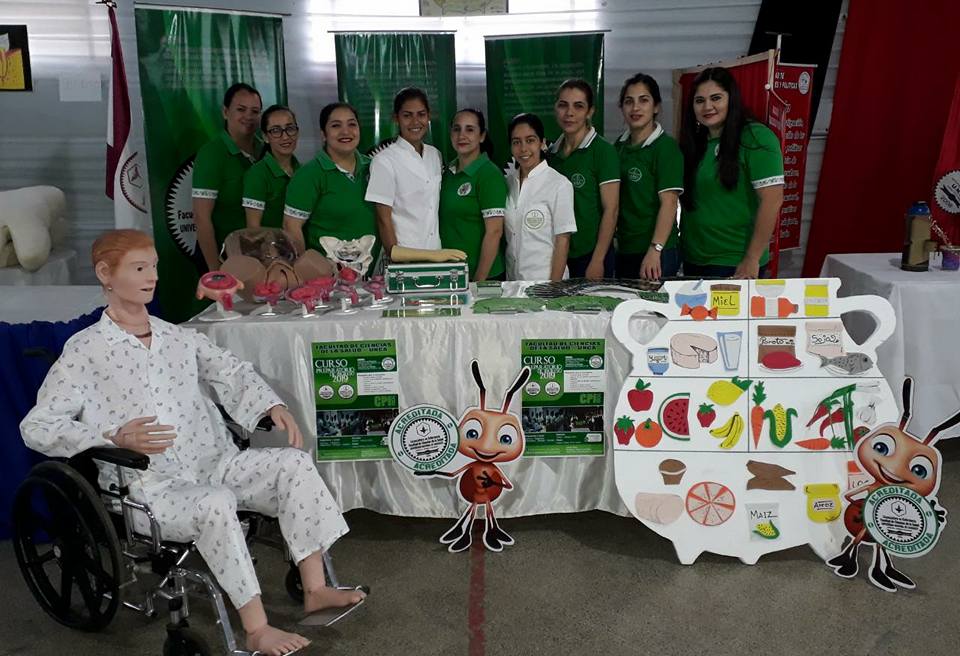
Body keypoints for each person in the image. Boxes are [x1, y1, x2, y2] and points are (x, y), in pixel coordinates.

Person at [20, 229, 365, 656]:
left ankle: (315, 589)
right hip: (151, 488)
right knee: (215, 502)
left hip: (214, 461)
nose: (152, 277)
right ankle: (256, 629)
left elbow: (231, 371)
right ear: (105, 274)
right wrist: (109, 435)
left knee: (292, 464)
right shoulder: (85, 351)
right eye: (139, 268)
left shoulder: (178, 337)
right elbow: (38, 426)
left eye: (154, 267)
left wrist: (270, 405)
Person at [678, 67, 785, 278]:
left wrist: (752, 258)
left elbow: (772, 200)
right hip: (692, 259)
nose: (707, 106)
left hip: (735, 262)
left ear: (732, 99)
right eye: (699, 101)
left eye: (716, 98)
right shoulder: (694, 143)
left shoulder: (756, 137)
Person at [283, 103, 379, 273]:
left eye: (352, 124)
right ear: (323, 134)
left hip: (376, 275)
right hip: (328, 278)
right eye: (336, 126)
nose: (345, 131)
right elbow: (291, 226)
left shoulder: (374, 168)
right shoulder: (309, 175)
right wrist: (307, 272)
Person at [547, 79, 620, 279]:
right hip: (558, 253)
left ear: (590, 111)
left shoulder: (603, 151)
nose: (569, 113)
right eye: (563, 105)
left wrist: (597, 260)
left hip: (591, 255)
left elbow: (611, 211)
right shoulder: (551, 154)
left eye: (578, 106)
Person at [614, 73, 684, 280]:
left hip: (656, 252)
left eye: (643, 100)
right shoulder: (619, 146)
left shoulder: (665, 148)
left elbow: (669, 203)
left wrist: (656, 249)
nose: (635, 108)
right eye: (629, 101)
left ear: (656, 107)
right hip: (626, 248)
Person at [192, 82, 263, 272]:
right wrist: (216, 270)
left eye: (255, 111)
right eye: (241, 109)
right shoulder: (212, 154)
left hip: (259, 254)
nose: (248, 116)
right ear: (225, 112)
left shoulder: (266, 151)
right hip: (223, 256)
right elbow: (201, 217)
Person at [365, 87, 443, 256]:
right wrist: (397, 259)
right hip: (405, 256)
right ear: (396, 118)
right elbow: (383, 219)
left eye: (421, 114)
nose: (415, 122)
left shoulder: (435, 155)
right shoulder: (384, 161)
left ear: (428, 116)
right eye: (407, 115)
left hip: (435, 252)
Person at [504, 113, 576, 281]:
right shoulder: (508, 183)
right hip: (513, 283)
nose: (523, 149)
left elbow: (563, 241)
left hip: (545, 282)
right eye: (516, 142)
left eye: (530, 140)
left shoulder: (558, 184)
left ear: (542, 143)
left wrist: (553, 288)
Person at [438, 109, 507, 281]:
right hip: (451, 273)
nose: (462, 135)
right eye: (457, 129)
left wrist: (478, 281)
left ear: (482, 136)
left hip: (483, 276)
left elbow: (494, 232)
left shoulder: (489, 174)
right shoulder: (447, 173)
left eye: (470, 129)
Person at [242, 104, 300, 231]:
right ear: (265, 137)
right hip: (271, 243)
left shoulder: (303, 171)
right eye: (276, 131)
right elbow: (253, 229)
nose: (285, 136)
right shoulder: (257, 175)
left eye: (290, 128)